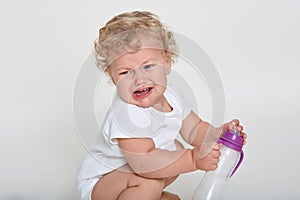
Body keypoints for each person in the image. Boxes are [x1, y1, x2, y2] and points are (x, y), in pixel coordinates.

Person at [76, 11, 247, 200]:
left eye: (148, 66)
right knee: (151, 177)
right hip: (102, 183)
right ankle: (141, 193)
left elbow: (194, 129)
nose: (139, 79)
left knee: (175, 150)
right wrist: (192, 159)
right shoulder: (127, 112)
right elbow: (144, 164)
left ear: (167, 62)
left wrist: (216, 135)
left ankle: (149, 195)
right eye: (125, 72)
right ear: (112, 77)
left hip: (135, 172)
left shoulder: (171, 94)